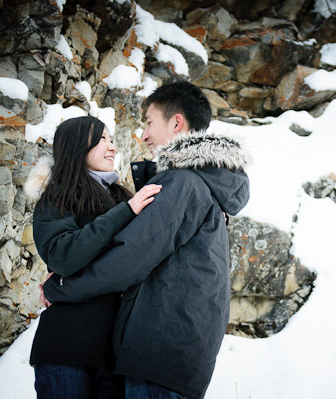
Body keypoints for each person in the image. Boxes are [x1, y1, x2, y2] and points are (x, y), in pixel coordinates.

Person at [42, 81, 251, 399]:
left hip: (159, 352)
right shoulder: (209, 186)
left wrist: (61, 287)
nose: (143, 136)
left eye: (149, 122)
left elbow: (130, 258)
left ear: (176, 122)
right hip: (177, 354)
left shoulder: (182, 183)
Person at [25, 115, 162, 399]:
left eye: (112, 140)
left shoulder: (123, 196)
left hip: (115, 354)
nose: (112, 147)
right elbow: (63, 254)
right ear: (76, 146)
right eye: (101, 139)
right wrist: (126, 212)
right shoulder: (58, 195)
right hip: (68, 346)